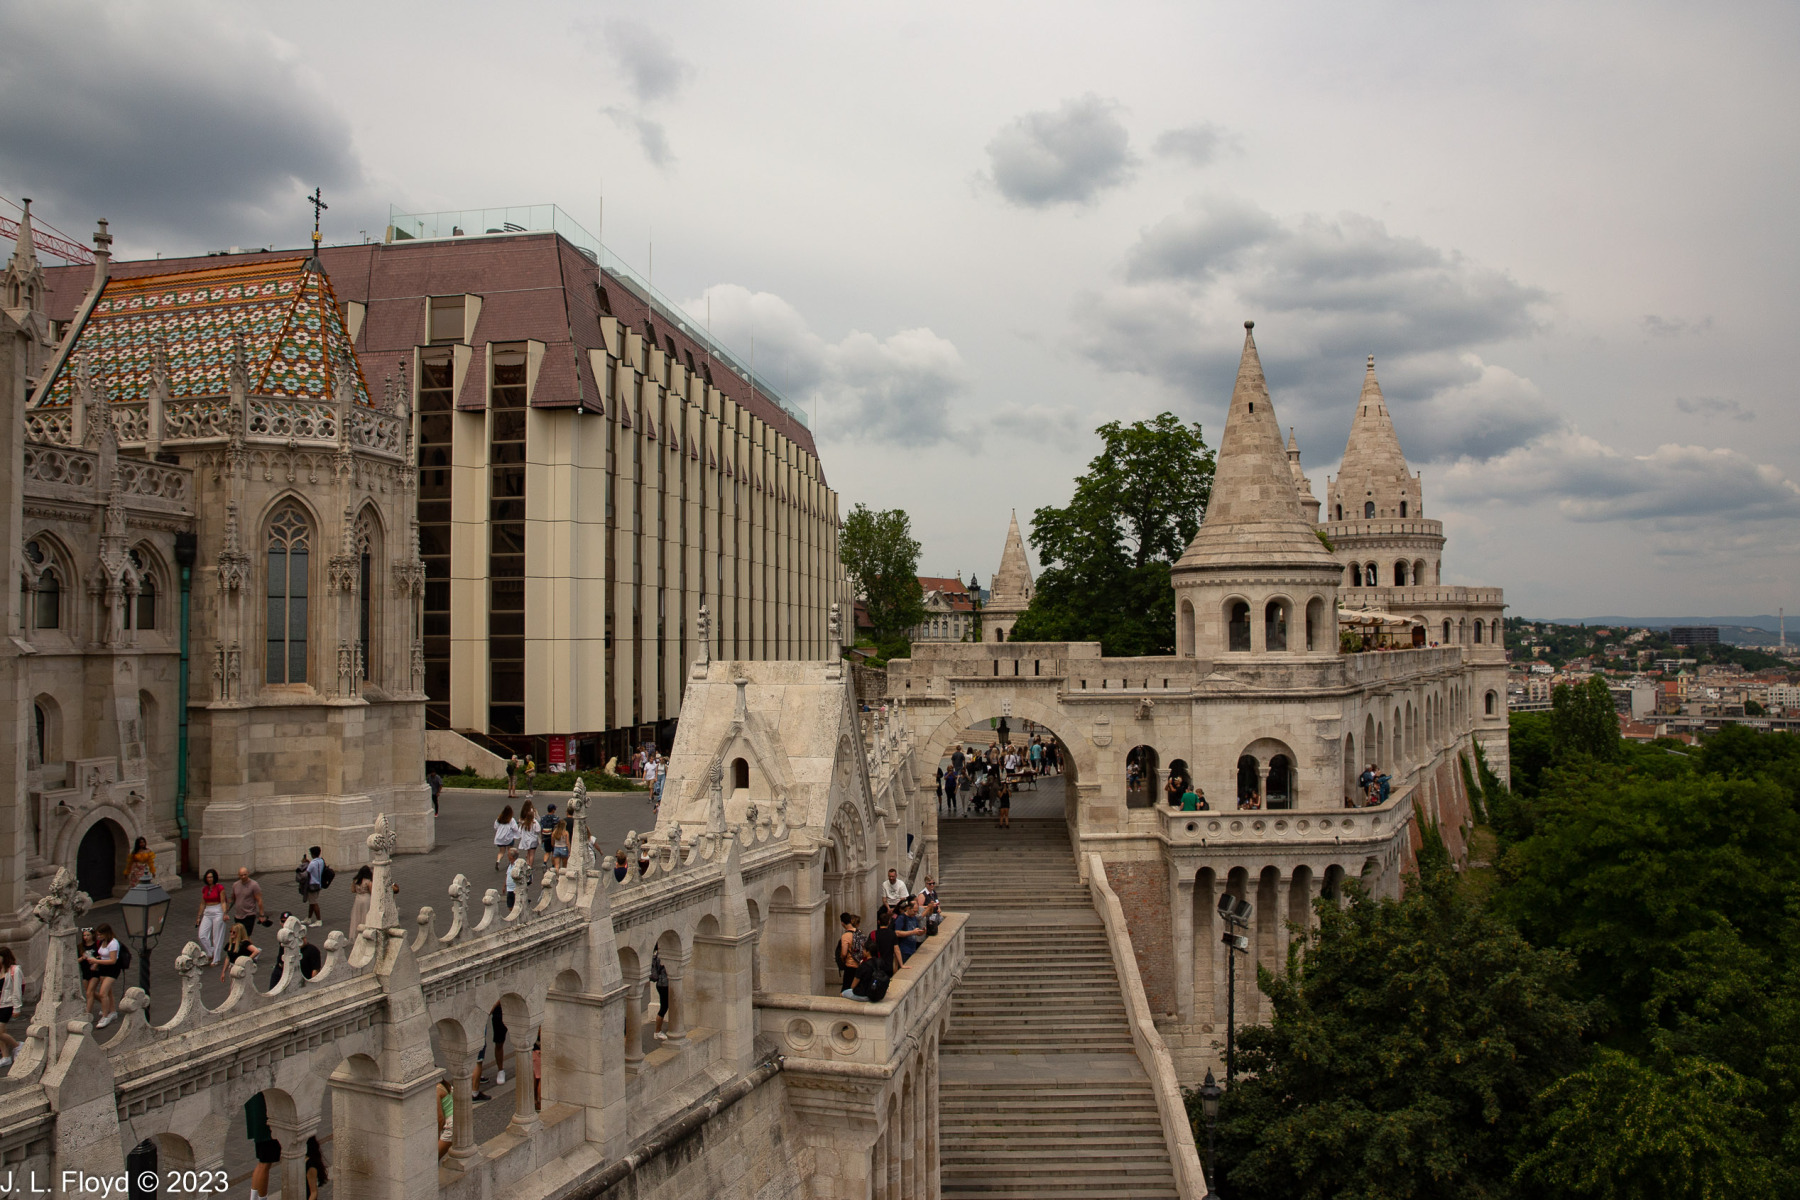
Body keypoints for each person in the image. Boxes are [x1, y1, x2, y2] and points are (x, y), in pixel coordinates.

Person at [244, 1093, 281, 1200]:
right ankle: (262, 1198)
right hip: (267, 1126)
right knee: (265, 1163)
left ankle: (254, 1198)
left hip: (260, 1126)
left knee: (262, 1163)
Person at [86, 923, 121, 1027]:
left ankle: (105, 1016)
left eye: (100, 934)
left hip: (112, 969)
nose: (98, 936)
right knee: (108, 992)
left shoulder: (113, 943)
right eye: (98, 934)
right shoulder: (103, 942)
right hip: (103, 969)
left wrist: (96, 961)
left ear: (106, 933)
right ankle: (112, 1011)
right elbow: (102, 955)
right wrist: (96, 963)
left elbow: (113, 960)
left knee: (103, 993)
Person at [195, 868, 227, 965]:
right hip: (207, 911)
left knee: (216, 936)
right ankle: (210, 952)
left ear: (214, 877)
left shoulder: (220, 888)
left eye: (211, 877)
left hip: (217, 910)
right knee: (202, 935)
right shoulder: (205, 889)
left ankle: (216, 959)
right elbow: (202, 903)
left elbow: (223, 902)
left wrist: (224, 913)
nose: (209, 879)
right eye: (208, 877)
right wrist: (198, 917)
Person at [0, 947, 21, 1067]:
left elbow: (17, 990)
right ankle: (5, 1056)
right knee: (2, 1032)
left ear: (4, 957)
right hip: (0, 1004)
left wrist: (17, 1007)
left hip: (7, 1004)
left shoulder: (15, 970)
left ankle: (17, 1045)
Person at [300, 846, 326, 926]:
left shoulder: (312, 863)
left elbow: (306, 873)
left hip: (312, 885)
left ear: (313, 854)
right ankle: (309, 918)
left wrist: (303, 864)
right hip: (318, 884)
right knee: (311, 902)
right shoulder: (321, 861)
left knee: (314, 902)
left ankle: (319, 920)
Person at [894, 897, 925, 964]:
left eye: (916, 911)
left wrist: (921, 932)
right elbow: (897, 933)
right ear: (908, 908)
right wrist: (912, 932)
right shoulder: (902, 918)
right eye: (914, 911)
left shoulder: (914, 918)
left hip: (912, 949)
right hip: (904, 950)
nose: (915, 913)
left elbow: (916, 931)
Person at [835, 913, 862, 991]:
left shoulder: (845, 936)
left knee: (846, 988)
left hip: (850, 964)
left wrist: (842, 959)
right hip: (859, 964)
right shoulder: (859, 932)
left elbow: (844, 953)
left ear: (842, 923)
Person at [77, 928, 98, 1017]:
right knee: (91, 993)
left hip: (95, 972)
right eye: (84, 935)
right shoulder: (80, 947)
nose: (86, 937)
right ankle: (105, 1002)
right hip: (85, 972)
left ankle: (87, 1013)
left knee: (89, 992)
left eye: (88, 935)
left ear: (92, 935)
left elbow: (101, 956)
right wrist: (82, 958)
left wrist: (96, 963)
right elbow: (75, 960)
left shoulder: (97, 945)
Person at [650, 951, 671, 1040]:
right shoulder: (662, 956)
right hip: (664, 984)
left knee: (665, 1006)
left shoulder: (657, 955)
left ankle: (658, 1031)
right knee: (664, 1008)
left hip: (661, 984)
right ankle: (657, 1031)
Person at [493, 805, 520, 871]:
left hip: (500, 838)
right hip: (508, 838)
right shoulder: (511, 819)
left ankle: (498, 861)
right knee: (510, 850)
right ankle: (510, 862)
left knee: (501, 851)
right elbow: (515, 828)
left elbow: (495, 827)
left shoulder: (499, 819)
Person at [517, 801, 540, 868]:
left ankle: (527, 865)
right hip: (533, 840)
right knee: (532, 854)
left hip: (526, 840)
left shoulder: (524, 823)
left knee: (528, 853)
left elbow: (519, 831)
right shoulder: (534, 822)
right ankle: (530, 866)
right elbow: (538, 830)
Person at [436, 1079, 454, 1159]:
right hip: (458, 1118)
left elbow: (440, 1119)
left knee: (433, 1158)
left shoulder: (436, 1090)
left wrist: (437, 1137)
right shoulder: (444, 1084)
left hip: (451, 1125)